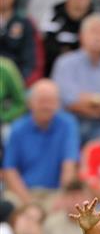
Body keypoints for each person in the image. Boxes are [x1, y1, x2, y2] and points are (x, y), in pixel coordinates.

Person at [51, 13, 100, 145]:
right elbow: (71, 101)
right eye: (93, 32)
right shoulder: (65, 63)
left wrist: (92, 101)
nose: (98, 37)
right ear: (81, 36)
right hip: (71, 123)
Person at [3, 79, 79, 209]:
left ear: (58, 104)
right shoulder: (18, 128)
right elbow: (10, 170)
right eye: (42, 101)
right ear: (30, 103)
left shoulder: (68, 124)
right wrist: (29, 203)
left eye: (51, 101)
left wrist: (62, 197)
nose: (46, 106)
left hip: (55, 193)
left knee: (66, 211)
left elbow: (69, 166)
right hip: (23, 192)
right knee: (9, 207)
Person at [41, 0, 95, 76]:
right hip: (57, 74)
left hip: (92, 74)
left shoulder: (98, 16)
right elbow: (48, 51)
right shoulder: (54, 13)